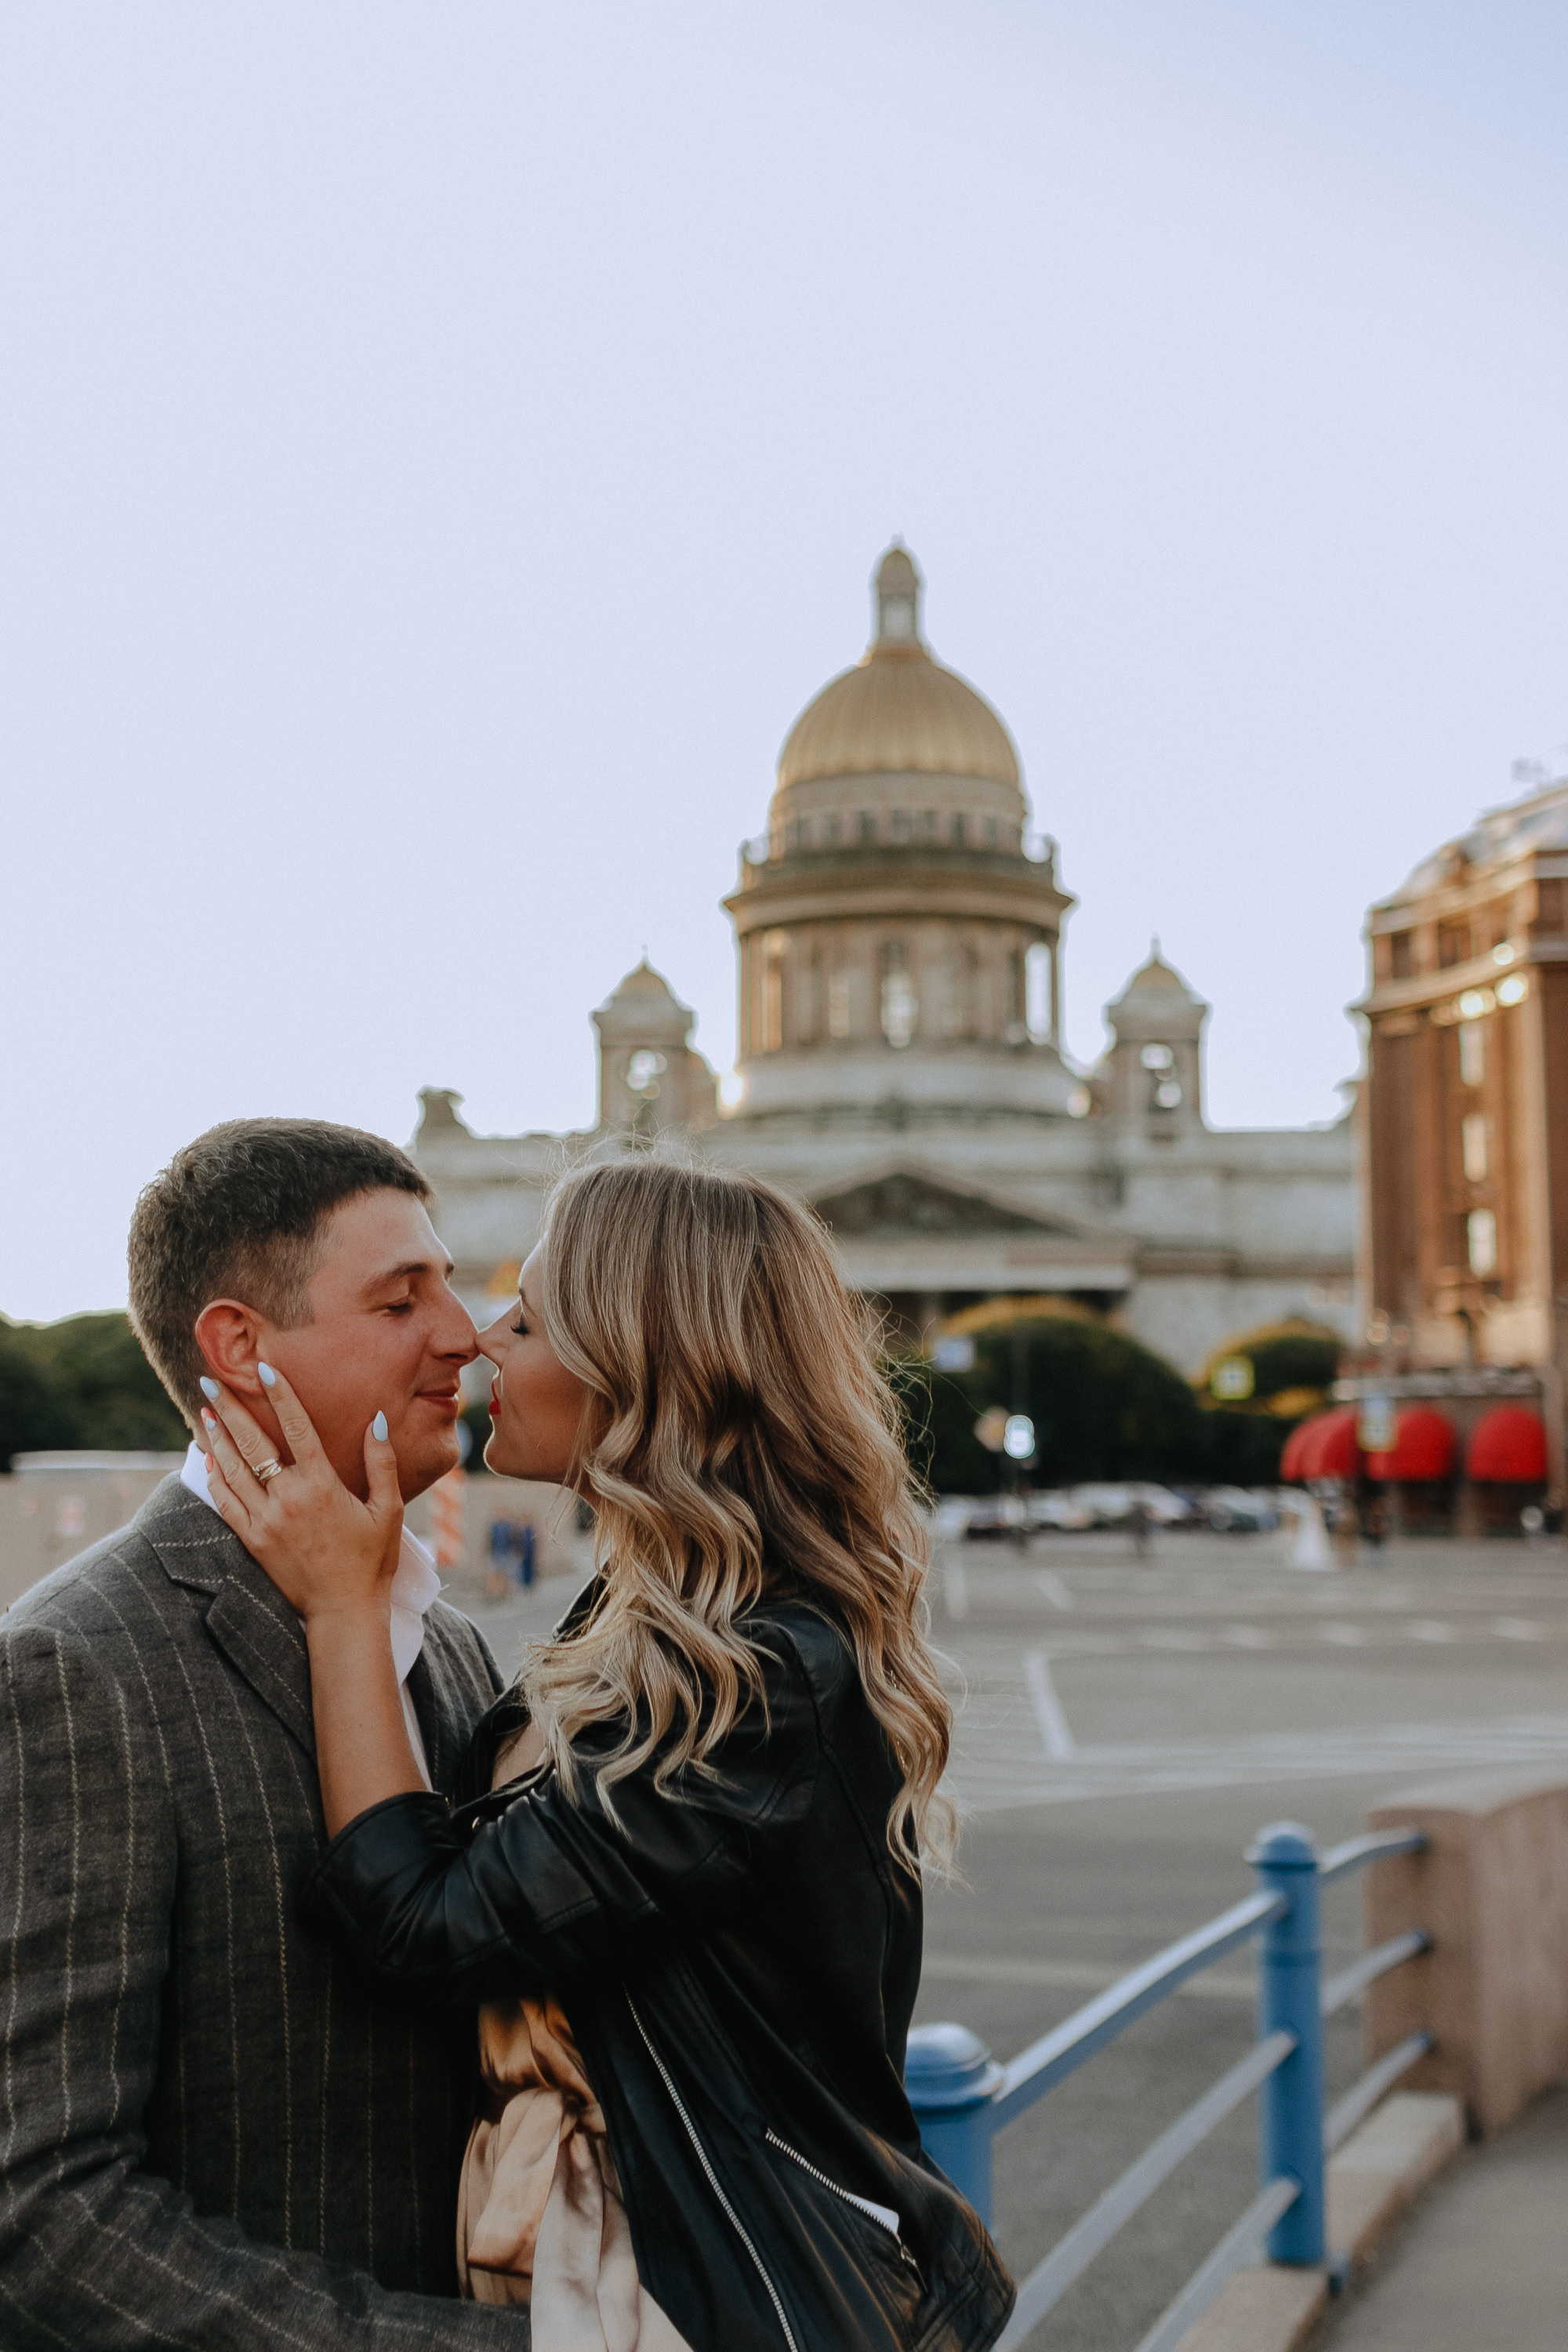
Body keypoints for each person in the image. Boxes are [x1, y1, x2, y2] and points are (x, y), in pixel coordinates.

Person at [200, 1157, 1016, 2352]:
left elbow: (428, 1925)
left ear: (637, 1373)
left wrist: (342, 1607)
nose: (480, 1341)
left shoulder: (757, 1677)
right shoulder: (661, 1626)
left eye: (526, 1320)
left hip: (718, 2301)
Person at [0, 1119, 527, 2350]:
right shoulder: (75, 1669)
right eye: (404, 1300)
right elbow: (42, 2206)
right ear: (240, 1347)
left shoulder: (441, 1639)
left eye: (449, 1285)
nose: (464, 1334)